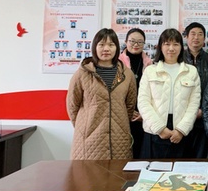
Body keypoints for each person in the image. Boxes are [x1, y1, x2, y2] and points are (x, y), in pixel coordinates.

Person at [67, 28, 136, 160]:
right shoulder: (82, 73)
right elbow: (72, 105)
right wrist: (84, 126)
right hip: (89, 139)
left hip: (118, 138)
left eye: (111, 45)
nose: (106, 49)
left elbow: (129, 106)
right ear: (95, 47)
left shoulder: (127, 74)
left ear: (117, 48)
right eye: (101, 44)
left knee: (118, 173)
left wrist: (118, 122)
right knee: (88, 173)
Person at [137, 28, 200, 159]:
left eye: (175, 44)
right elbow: (143, 102)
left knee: (181, 169)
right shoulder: (150, 71)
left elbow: (194, 104)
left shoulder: (191, 71)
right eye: (167, 44)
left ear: (181, 47)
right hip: (154, 129)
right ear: (160, 46)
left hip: (181, 130)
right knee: (154, 169)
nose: (171, 48)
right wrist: (159, 128)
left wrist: (181, 130)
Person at [183, 22, 208, 158]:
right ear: (186, 37)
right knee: (182, 157)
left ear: (204, 38)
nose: (196, 37)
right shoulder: (178, 58)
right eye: (193, 34)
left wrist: (204, 110)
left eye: (200, 34)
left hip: (204, 117)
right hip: (181, 117)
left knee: (201, 157)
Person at [119, 28, 153, 158]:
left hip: (144, 116)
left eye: (140, 42)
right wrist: (128, 112)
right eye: (132, 41)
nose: (136, 44)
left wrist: (144, 114)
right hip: (122, 114)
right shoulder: (117, 63)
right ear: (126, 42)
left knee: (141, 154)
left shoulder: (150, 64)